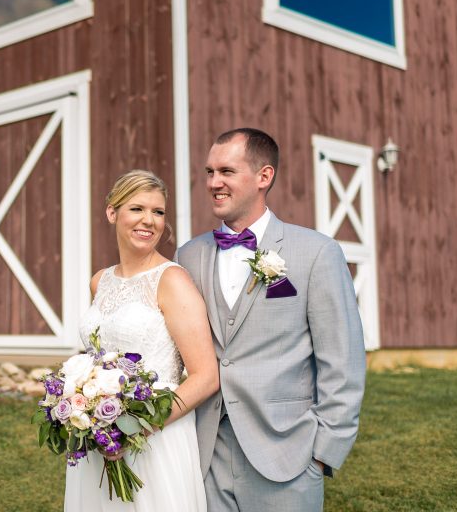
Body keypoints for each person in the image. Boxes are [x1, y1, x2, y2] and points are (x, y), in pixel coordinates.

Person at [176, 128, 366, 511]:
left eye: (227, 171)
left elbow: (343, 361)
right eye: (209, 172)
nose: (214, 182)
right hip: (207, 452)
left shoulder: (317, 253)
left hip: (287, 454)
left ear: (264, 176)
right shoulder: (189, 256)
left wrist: (323, 453)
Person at [66, 170, 218, 511]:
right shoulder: (99, 281)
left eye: (158, 212)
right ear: (112, 212)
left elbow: (206, 376)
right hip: (99, 437)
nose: (149, 221)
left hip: (157, 437)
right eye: (137, 209)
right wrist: (82, 404)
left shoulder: (172, 280)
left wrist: (136, 429)